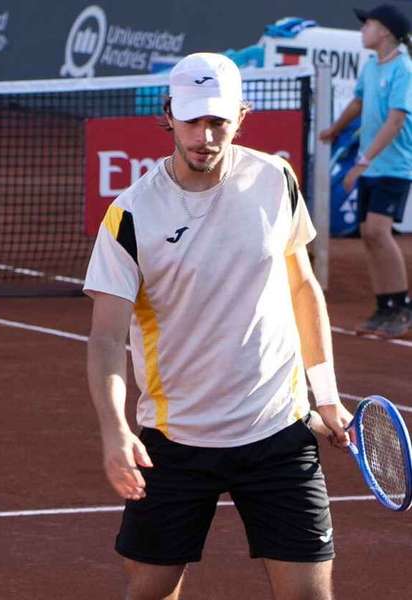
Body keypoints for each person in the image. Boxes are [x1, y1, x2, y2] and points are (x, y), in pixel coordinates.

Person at [84, 53, 354, 600]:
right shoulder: (131, 215)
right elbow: (108, 337)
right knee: (152, 592)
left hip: (279, 430)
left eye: (218, 122)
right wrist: (114, 429)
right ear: (169, 115)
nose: (204, 136)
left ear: (241, 116)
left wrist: (324, 395)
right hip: (176, 439)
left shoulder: (275, 179)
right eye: (192, 121)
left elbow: (303, 288)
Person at [320, 3, 412, 338]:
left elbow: (396, 119)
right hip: (373, 166)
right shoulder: (372, 66)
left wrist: (364, 160)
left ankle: (402, 305)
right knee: (369, 235)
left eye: (368, 24)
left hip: (395, 166)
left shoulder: (404, 68)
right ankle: (384, 305)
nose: (363, 30)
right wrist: (334, 128)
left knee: (377, 230)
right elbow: (358, 102)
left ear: (385, 31)